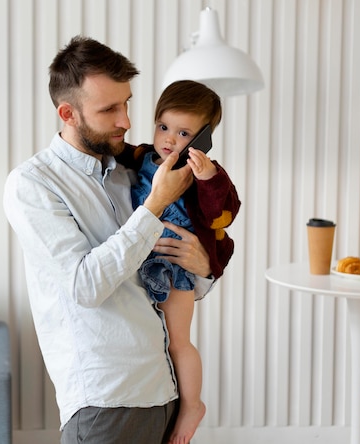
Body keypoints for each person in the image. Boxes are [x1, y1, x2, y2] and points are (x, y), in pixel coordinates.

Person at [3, 35, 217, 443]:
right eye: (109, 109)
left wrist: (203, 266)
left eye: (127, 103)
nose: (127, 121)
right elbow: (85, 286)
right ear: (68, 113)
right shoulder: (32, 184)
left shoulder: (130, 173)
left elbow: (162, 272)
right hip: (106, 400)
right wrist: (153, 208)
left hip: (163, 389)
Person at [122, 80, 241, 444]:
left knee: (178, 341)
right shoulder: (143, 156)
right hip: (141, 259)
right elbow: (113, 153)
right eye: (163, 127)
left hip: (176, 269)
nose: (170, 140)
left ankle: (192, 404)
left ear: (204, 137)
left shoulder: (204, 173)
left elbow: (221, 214)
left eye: (184, 133)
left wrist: (208, 178)